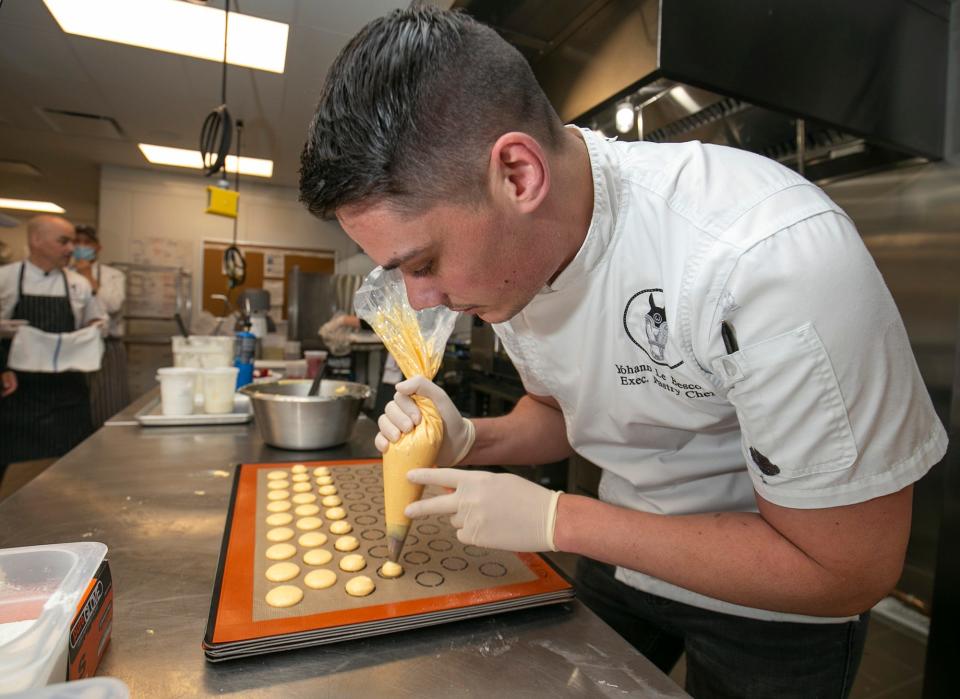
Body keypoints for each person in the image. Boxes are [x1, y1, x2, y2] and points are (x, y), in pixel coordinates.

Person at [298, 7, 947, 698]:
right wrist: (466, 438)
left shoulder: (767, 258)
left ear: (517, 174)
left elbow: (849, 567)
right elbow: (558, 410)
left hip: (776, 597)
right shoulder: (513, 263)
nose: (420, 299)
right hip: (622, 558)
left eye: (422, 261)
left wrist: (559, 518)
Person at [0, 215, 107, 475]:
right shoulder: (6, 278)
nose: (71, 249)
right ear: (36, 240)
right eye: (64, 241)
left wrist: (96, 329)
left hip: (68, 389)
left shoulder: (77, 284)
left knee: (73, 465)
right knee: (15, 465)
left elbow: (96, 318)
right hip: (19, 388)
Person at [72, 224, 129, 427]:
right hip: (73, 346)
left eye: (86, 243)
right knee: (74, 403)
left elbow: (113, 306)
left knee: (108, 404)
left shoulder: (112, 275)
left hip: (107, 345)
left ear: (98, 247)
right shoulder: (63, 273)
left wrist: (88, 277)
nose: (81, 247)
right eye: (77, 242)